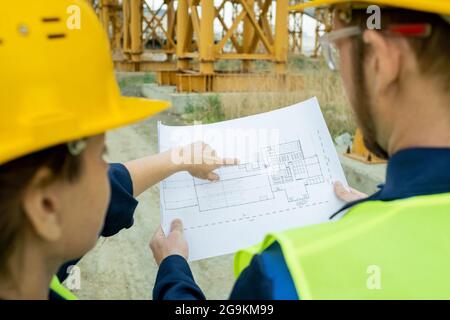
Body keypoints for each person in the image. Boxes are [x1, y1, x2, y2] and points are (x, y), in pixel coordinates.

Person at [150, 0, 450, 299]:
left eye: (335, 52)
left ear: (381, 61)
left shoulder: (289, 273)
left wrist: (172, 271)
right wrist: (385, 212)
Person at [0, 0, 233, 300]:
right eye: (101, 156)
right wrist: (175, 272)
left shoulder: (20, 261)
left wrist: (179, 158)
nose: (107, 169)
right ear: (45, 206)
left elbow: (101, 188)